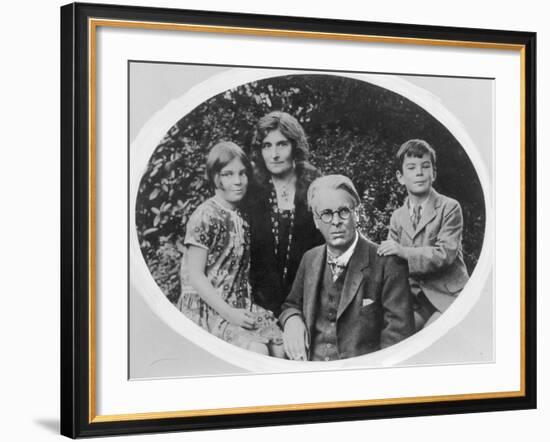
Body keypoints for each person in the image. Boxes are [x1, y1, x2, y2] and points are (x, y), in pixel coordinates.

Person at [279, 175, 414, 361]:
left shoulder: (387, 263)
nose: (335, 221)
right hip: (311, 369)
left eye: (343, 211)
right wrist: (292, 320)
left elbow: (397, 337)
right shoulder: (310, 259)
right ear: (316, 221)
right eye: (326, 214)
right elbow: (291, 305)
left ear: (356, 214)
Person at [177, 141, 283, 356]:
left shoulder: (243, 215)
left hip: (240, 304)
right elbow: (196, 277)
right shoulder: (205, 215)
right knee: (257, 350)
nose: (237, 181)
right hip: (209, 307)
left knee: (281, 345)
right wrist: (229, 313)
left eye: (242, 173)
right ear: (215, 177)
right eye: (228, 174)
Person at [378, 139, 470, 330]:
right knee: (393, 335)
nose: (419, 173)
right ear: (400, 177)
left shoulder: (449, 207)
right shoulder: (397, 217)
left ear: (433, 174)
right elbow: (392, 264)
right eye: (411, 167)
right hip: (414, 299)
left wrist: (403, 251)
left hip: (447, 296)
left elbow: (444, 254)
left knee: (428, 336)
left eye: (425, 166)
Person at [246, 111, 324, 317]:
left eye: (282, 144)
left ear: (294, 147)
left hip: (309, 299)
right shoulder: (252, 192)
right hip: (260, 303)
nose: (274, 154)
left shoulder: (315, 187)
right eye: (267, 146)